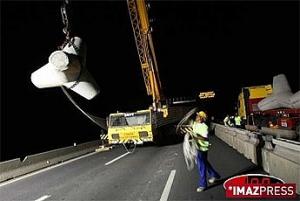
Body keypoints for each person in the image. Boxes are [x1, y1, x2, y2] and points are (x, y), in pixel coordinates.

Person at [190, 111, 221, 192]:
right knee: (205, 163)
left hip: (202, 148)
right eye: (197, 116)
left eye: (199, 116)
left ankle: (203, 185)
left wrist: (196, 137)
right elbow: (192, 131)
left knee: (201, 166)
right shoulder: (195, 124)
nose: (197, 117)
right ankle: (215, 175)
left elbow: (205, 138)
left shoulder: (204, 127)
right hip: (197, 147)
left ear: (202, 118)